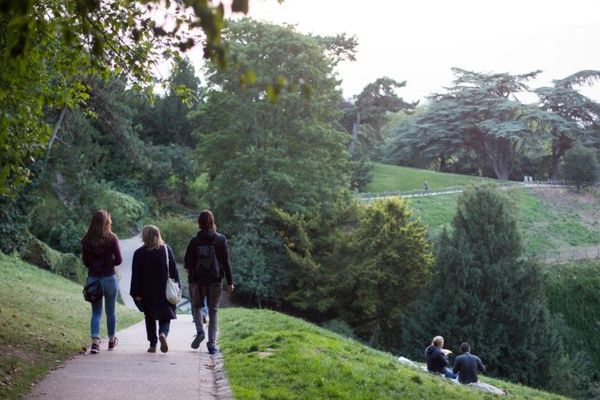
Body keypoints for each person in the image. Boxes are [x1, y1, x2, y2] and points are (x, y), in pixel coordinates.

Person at [184, 209, 234, 354]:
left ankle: (200, 331)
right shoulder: (220, 239)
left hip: (198, 282)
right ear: (212, 222)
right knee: (213, 312)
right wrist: (230, 282)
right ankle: (211, 344)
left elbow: (187, 264)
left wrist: (193, 277)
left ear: (199, 223)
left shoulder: (194, 241)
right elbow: (226, 263)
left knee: (197, 307)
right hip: (215, 282)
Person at [130, 225, 180, 353]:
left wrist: (136, 293)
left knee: (149, 317)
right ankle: (163, 333)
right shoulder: (166, 250)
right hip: (164, 290)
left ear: (144, 237)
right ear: (158, 235)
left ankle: (153, 344)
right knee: (165, 316)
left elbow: (136, 275)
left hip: (147, 292)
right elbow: (173, 271)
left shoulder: (139, 253)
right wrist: (177, 287)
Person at [81, 209, 122, 354]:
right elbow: (119, 260)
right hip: (109, 278)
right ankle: (111, 341)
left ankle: (95, 343)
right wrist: (109, 262)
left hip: (93, 280)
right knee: (111, 312)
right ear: (107, 222)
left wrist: (94, 266)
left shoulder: (86, 240)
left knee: (96, 312)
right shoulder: (112, 238)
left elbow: (85, 261)